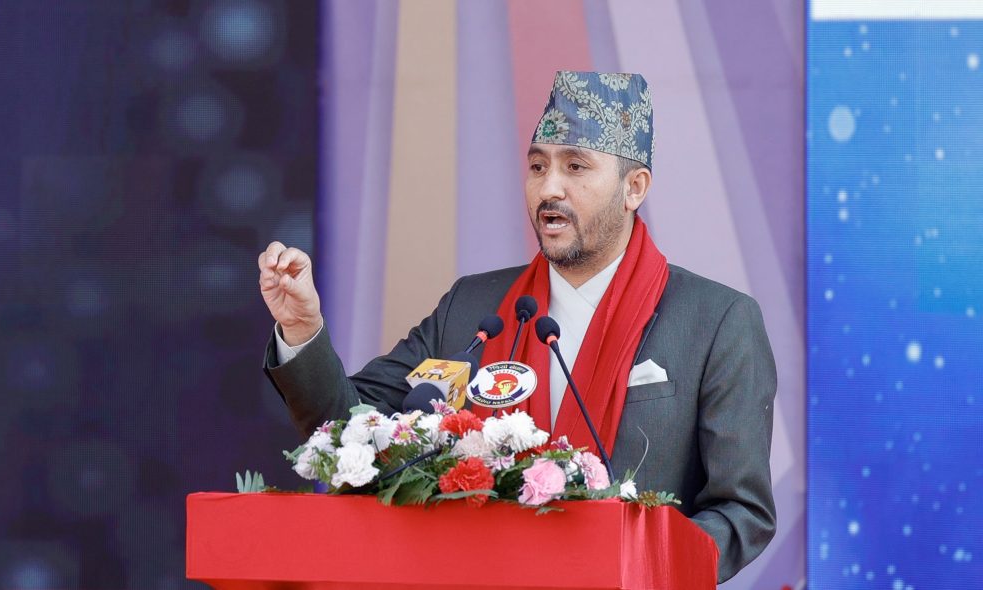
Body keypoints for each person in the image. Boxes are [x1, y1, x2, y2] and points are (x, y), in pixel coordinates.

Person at [258, 71, 776, 582]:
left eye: (575, 166)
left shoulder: (716, 320)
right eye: (537, 166)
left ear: (633, 188)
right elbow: (348, 429)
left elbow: (741, 512)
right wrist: (303, 328)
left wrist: (646, 567)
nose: (549, 188)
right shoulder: (474, 307)